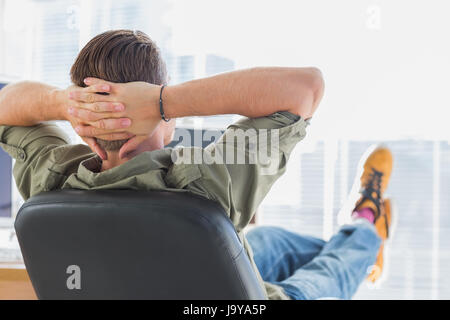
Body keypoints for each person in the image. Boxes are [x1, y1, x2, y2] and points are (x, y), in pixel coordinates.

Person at [0, 29, 393, 300]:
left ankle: (357, 239)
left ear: (84, 127)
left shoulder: (51, 178)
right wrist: (162, 101)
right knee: (331, 267)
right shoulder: (204, 184)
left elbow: (5, 107)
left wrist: (64, 104)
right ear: (165, 121)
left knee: (265, 240)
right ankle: (365, 223)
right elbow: (308, 88)